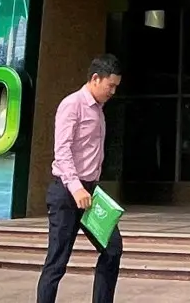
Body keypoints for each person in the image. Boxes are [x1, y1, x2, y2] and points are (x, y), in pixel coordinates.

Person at [37, 54, 124, 303]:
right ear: (95, 79)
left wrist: (88, 187)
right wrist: (76, 188)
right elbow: (62, 151)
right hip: (67, 192)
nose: (113, 92)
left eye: (116, 86)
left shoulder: (99, 110)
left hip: (91, 193)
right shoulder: (71, 105)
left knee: (113, 249)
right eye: (111, 86)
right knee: (57, 261)